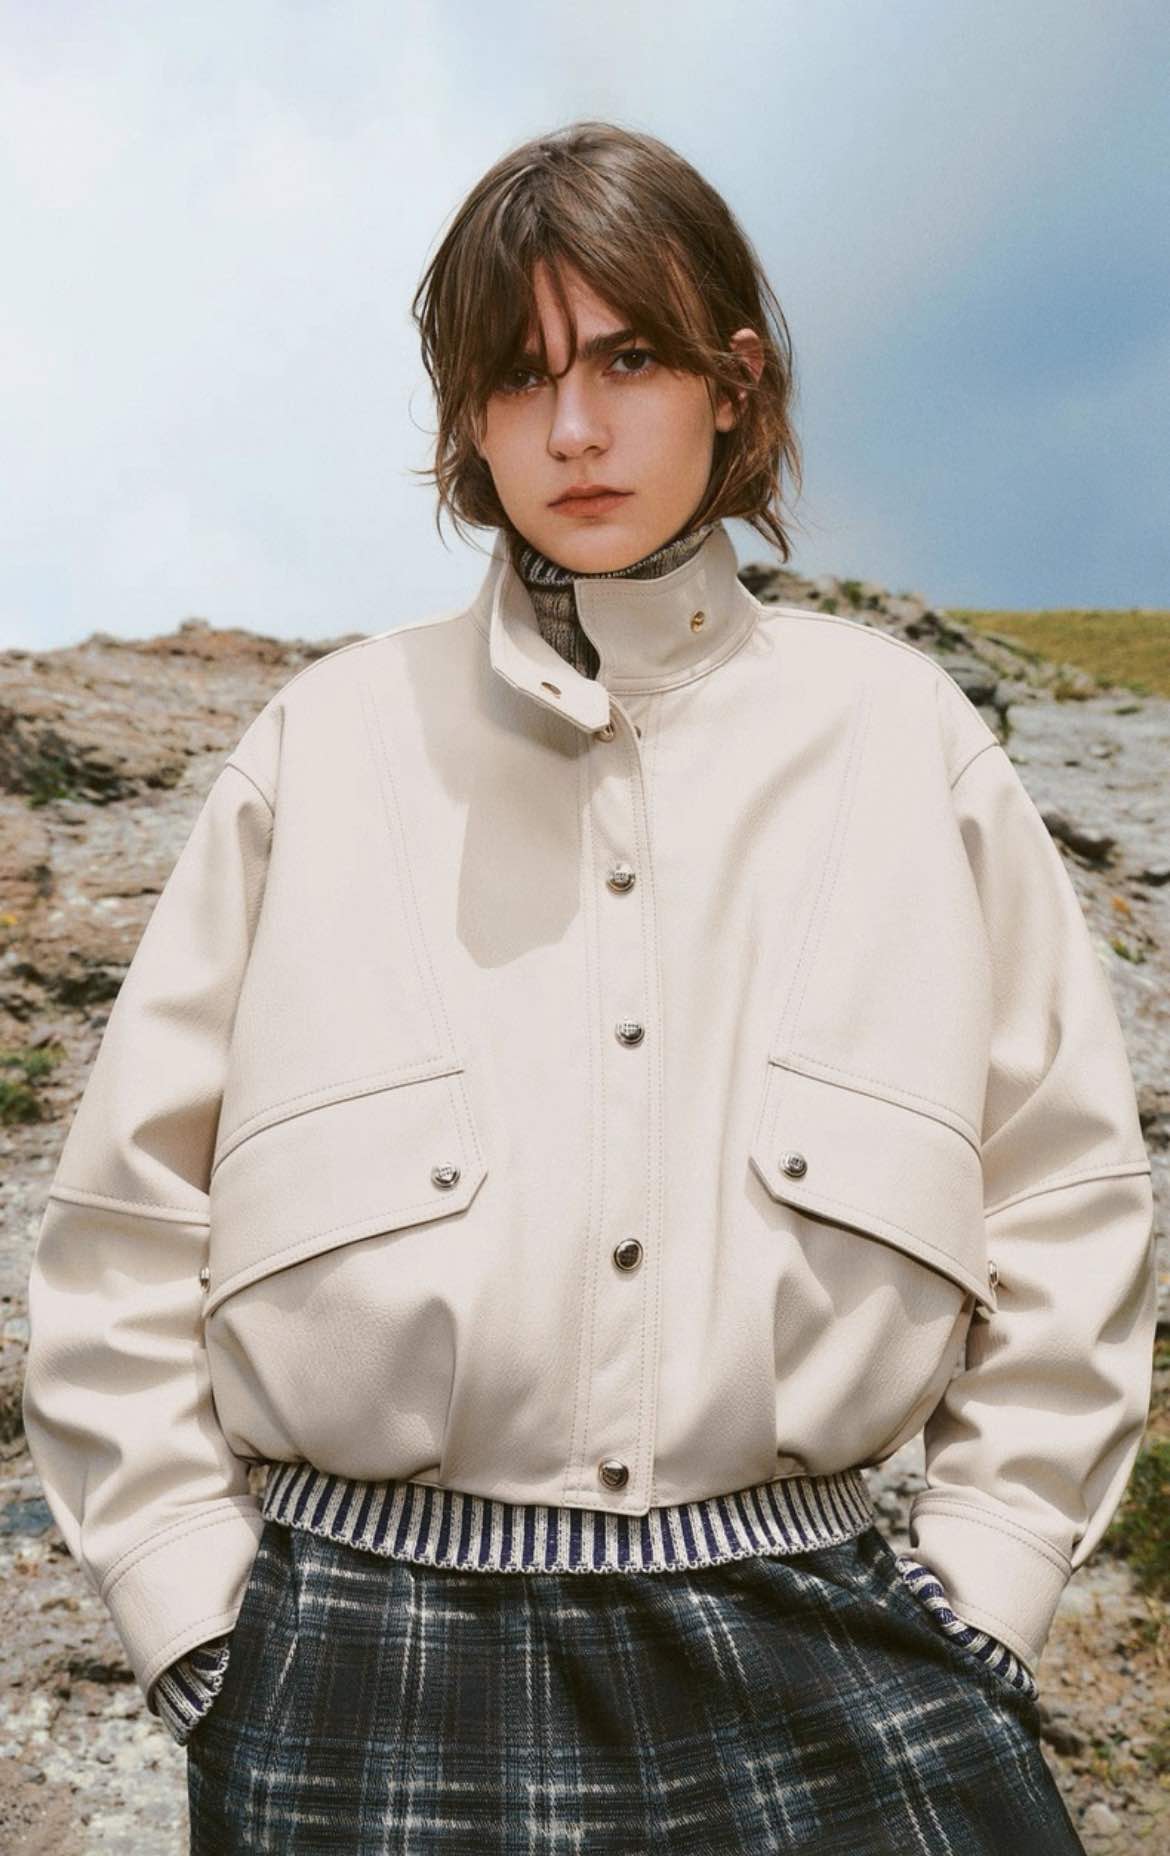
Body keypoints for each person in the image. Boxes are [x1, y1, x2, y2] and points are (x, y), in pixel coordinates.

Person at [22, 119, 1154, 1854]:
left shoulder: (901, 739)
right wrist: (202, 1629)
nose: (572, 428)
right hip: (360, 1664)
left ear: (731, 383)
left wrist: (989, 1583)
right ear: (467, 422)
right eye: (517, 375)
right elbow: (120, 1228)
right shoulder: (321, 746)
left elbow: (1068, 1198)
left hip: (831, 1635)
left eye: (627, 359)